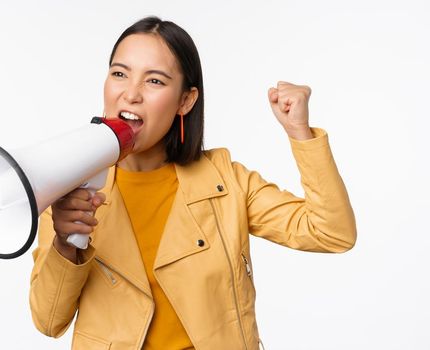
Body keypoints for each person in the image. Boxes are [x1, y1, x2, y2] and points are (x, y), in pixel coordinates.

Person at [28, 16, 356, 350]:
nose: (131, 93)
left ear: (186, 100)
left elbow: (332, 232)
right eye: (119, 73)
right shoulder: (69, 191)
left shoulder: (226, 180)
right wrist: (66, 245)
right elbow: (48, 320)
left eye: (154, 81)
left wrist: (299, 132)